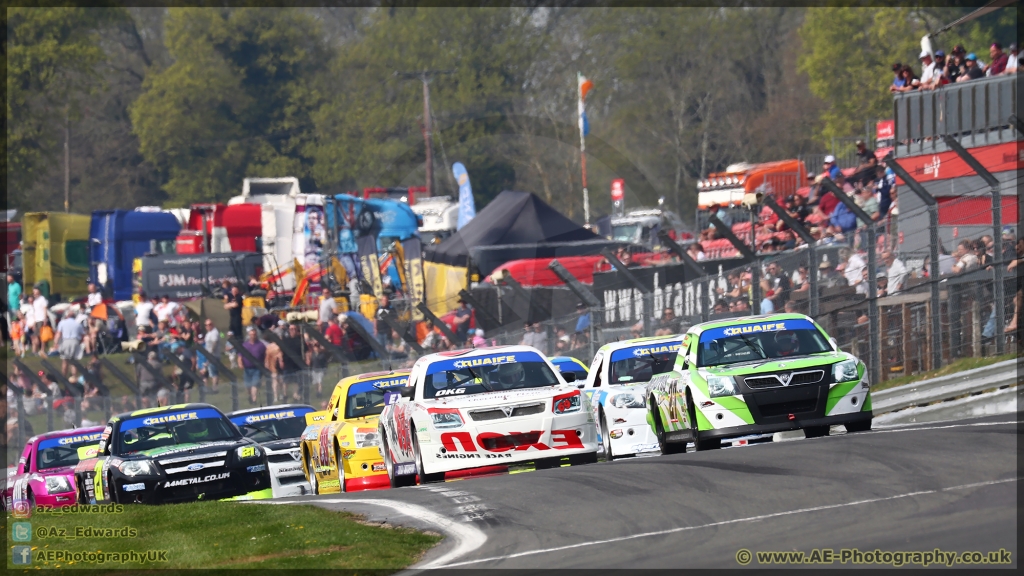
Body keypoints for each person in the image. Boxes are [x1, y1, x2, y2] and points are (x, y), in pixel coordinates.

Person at [238, 327, 266, 405]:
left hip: (257, 368)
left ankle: (254, 400)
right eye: (251, 334)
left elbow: (265, 355)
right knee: (248, 386)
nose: (253, 336)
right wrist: (240, 363)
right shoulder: (244, 345)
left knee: (255, 384)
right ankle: (250, 396)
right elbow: (240, 356)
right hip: (247, 369)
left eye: (254, 334)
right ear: (249, 335)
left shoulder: (261, 345)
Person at [54, 311, 85, 377]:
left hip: (66, 341)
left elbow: (59, 334)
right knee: (74, 361)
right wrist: (79, 342)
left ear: (67, 316)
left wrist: (55, 343)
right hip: (75, 341)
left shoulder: (62, 323)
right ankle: (74, 377)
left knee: (65, 360)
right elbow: (82, 335)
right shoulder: (78, 324)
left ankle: (64, 376)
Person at [279, 323, 305, 401]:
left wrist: (307, 359)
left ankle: (295, 395)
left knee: (296, 381)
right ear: (289, 330)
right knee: (285, 380)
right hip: (287, 362)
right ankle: (284, 395)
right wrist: (281, 360)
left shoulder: (300, 340)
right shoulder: (285, 340)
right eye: (291, 329)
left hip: (297, 363)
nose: (293, 331)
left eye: (294, 329)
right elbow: (280, 351)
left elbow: (306, 351)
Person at [198, 319, 221, 394]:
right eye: (206, 325)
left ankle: (214, 388)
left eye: (209, 324)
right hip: (208, 355)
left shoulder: (214, 332)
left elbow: (214, 343)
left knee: (214, 373)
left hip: (213, 355)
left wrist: (211, 353)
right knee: (211, 372)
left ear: (212, 324)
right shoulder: (208, 333)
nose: (208, 326)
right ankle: (210, 388)